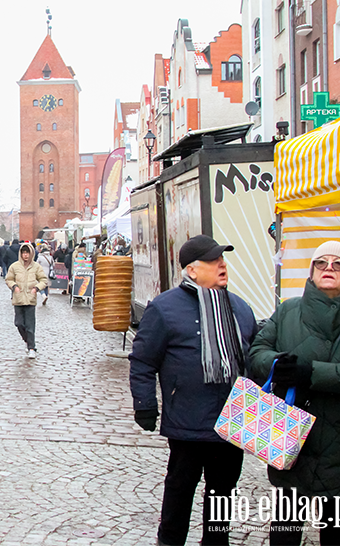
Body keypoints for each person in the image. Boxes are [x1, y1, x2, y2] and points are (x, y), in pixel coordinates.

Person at [129, 234, 258, 546]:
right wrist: (145, 404)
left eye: (223, 260)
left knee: (223, 492)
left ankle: (215, 542)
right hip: (187, 419)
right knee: (180, 487)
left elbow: (254, 357)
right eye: (214, 261)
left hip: (232, 420)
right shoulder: (164, 309)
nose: (223, 266)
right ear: (191, 271)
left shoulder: (239, 308)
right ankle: (170, 540)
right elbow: (143, 360)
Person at [249, 241, 340, 546]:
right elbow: (257, 351)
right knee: (285, 526)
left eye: (338, 264)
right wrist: (278, 364)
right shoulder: (288, 311)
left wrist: (311, 373)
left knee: (335, 529)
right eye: (321, 263)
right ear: (312, 272)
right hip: (290, 434)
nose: (329, 268)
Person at [5, 243, 48, 358]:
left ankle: (32, 347)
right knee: (19, 323)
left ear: (31, 254)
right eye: (24, 253)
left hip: (30, 299)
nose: (25, 255)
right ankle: (28, 341)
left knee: (30, 325)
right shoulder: (14, 266)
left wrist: (37, 288)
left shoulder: (36, 267)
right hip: (18, 299)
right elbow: (8, 279)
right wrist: (14, 286)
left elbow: (43, 280)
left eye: (27, 253)